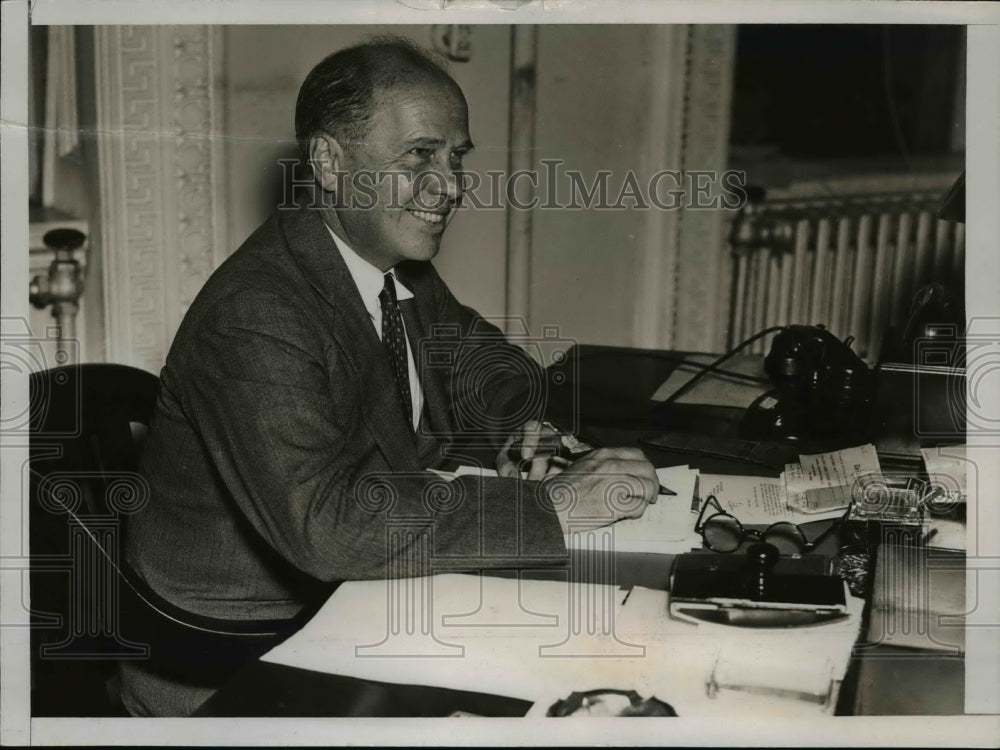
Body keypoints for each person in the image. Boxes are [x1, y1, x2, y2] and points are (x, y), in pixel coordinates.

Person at [119, 37, 658, 717]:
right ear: (329, 161)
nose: (451, 186)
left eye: (456, 158)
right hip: (238, 669)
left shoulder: (388, 264)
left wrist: (523, 423)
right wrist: (554, 506)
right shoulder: (256, 313)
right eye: (419, 156)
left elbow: (486, 366)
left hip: (346, 613)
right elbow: (329, 527)